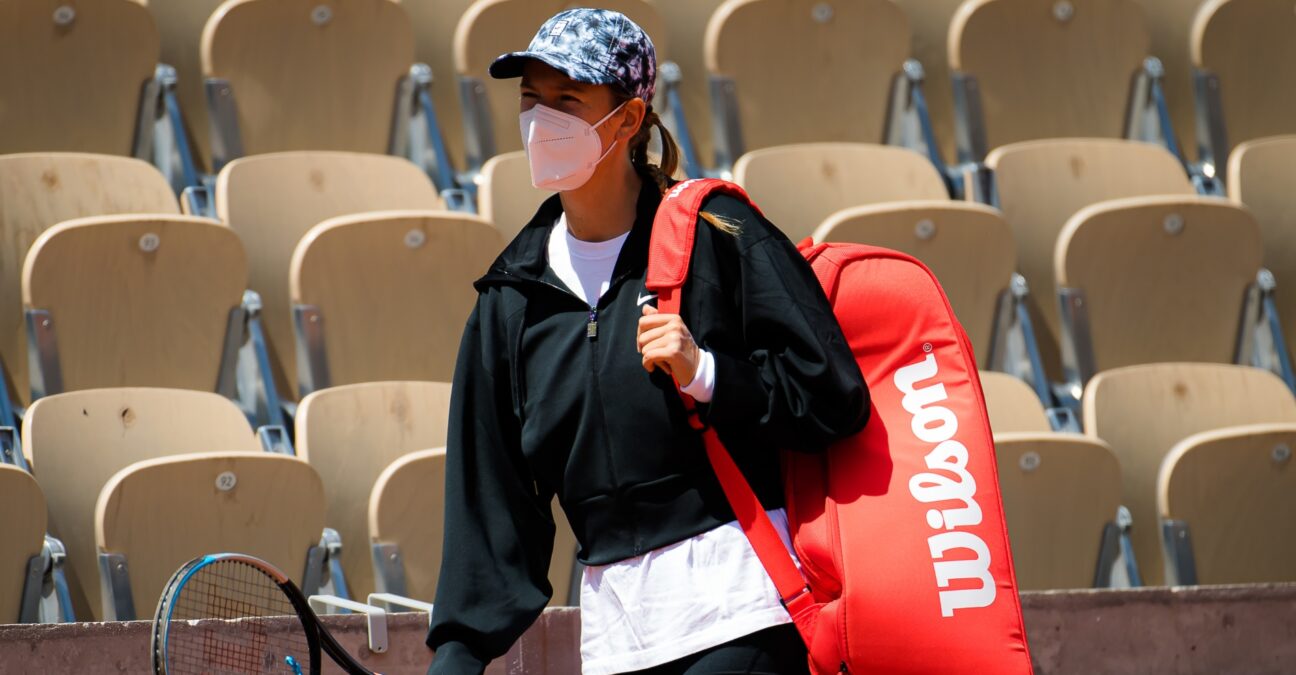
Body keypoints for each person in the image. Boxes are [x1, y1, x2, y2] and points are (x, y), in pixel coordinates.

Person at [426, 9, 869, 675]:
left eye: (567, 100)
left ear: (629, 120)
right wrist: (457, 655)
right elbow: (491, 499)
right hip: (617, 637)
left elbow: (833, 393)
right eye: (530, 98)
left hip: (744, 606)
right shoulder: (509, 300)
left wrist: (708, 373)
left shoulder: (720, 233)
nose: (541, 120)